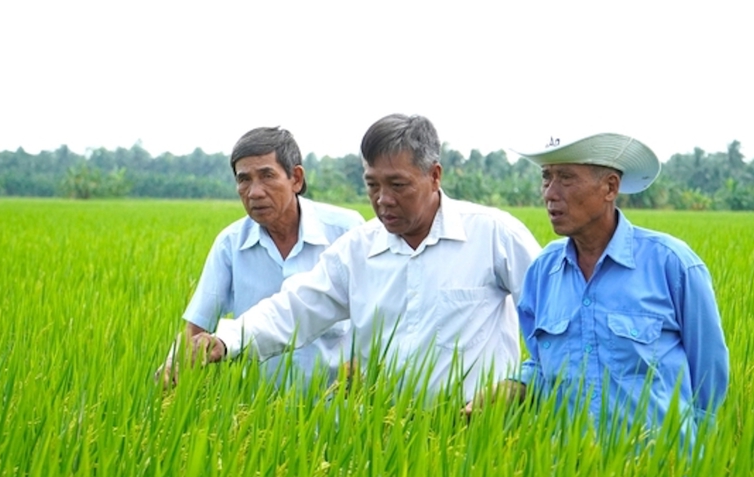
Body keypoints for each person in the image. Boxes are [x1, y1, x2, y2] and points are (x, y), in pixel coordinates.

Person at [190, 114, 542, 401]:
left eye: (398, 185)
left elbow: (554, 320)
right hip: (382, 432)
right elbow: (295, 307)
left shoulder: (494, 235)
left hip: (477, 430)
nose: (383, 199)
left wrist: (522, 383)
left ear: (434, 176)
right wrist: (227, 340)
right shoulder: (357, 250)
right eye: (372, 185)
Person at [472, 132, 728, 444]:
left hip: (660, 472)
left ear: (609, 187)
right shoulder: (544, 271)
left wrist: (694, 459)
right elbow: (544, 366)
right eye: (546, 177)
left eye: (566, 178)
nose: (550, 194)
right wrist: (511, 388)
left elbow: (709, 379)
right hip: (569, 473)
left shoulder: (671, 264)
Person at [156, 126, 364, 387]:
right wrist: (173, 366)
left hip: (335, 403)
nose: (254, 192)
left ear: (296, 178)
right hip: (256, 411)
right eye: (244, 180)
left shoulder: (346, 231)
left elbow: (375, 311)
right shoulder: (230, 245)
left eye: (267, 176)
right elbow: (198, 326)